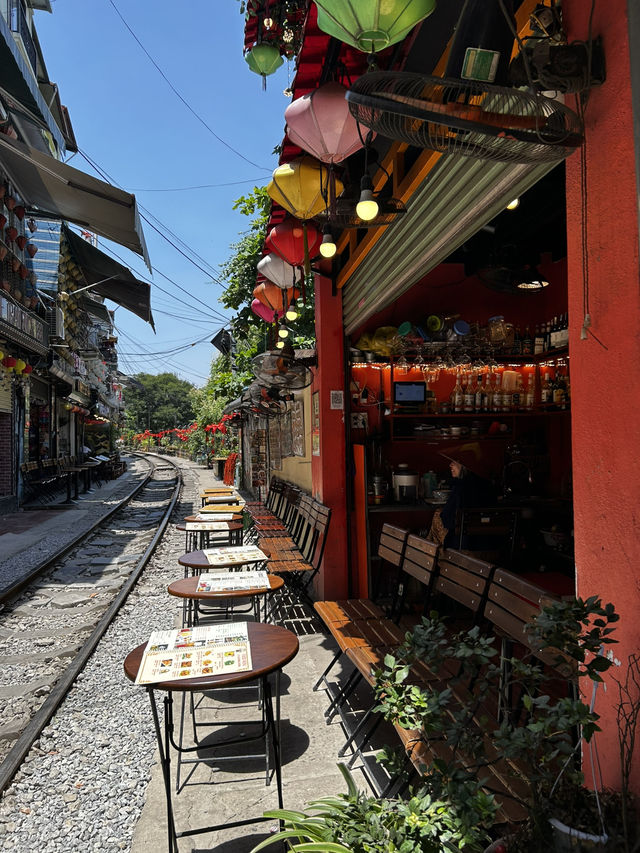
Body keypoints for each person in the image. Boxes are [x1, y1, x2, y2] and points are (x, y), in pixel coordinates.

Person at [428, 447, 497, 548]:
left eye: (455, 462)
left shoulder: (460, 487)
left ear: (465, 466)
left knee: (437, 516)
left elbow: (448, 520)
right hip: (490, 544)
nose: (450, 465)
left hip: (464, 544)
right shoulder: (488, 486)